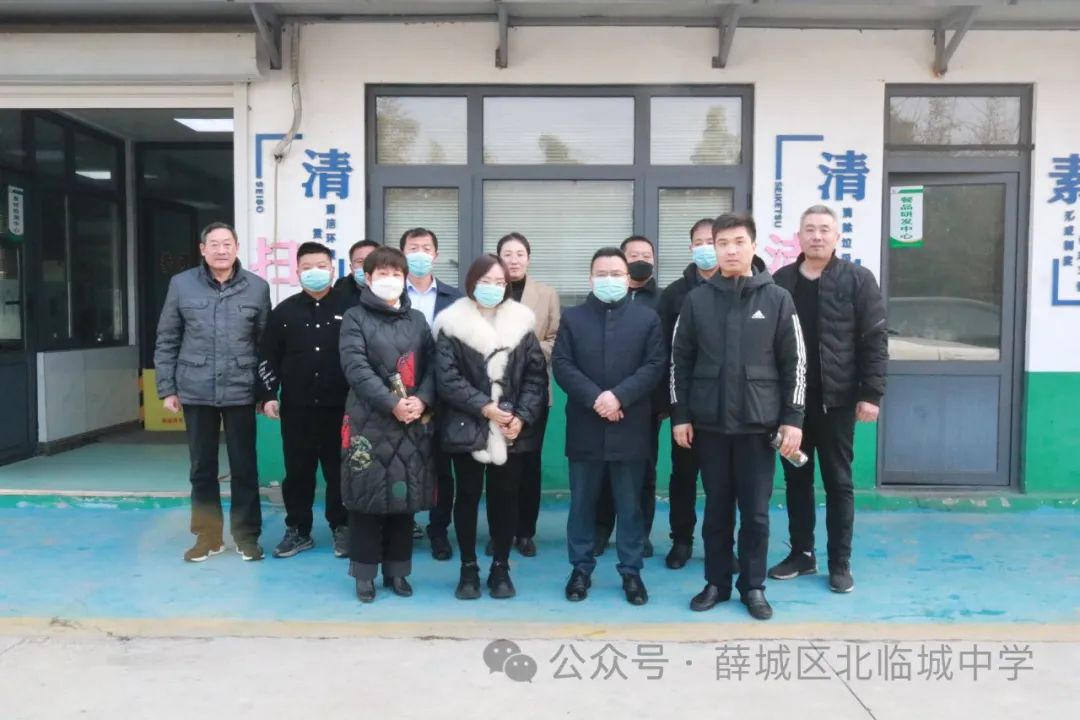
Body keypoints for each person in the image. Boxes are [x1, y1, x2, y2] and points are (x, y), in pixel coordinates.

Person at [671, 213, 806, 621]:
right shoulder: (697, 300)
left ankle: (753, 586)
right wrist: (681, 415)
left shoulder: (777, 299)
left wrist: (793, 418)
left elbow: (795, 362)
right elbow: (679, 361)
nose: (730, 250)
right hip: (710, 425)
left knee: (756, 514)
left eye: (738, 242)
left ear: (753, 245)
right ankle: (716, 583)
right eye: (722, 243)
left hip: (758, 426)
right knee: (716, 510)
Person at [768, 205, 888, 594]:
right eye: (809, 229)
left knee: (838, 482)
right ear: (799, 237)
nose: (817, 236)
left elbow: (874, 339)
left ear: (837, 237)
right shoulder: (781, 281)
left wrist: (870, 393)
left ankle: (840, 562)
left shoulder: (857, 280)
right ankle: (802, 554)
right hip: (792, 407)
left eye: (824, 229)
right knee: (796, 479)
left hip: (837, 403)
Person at [553, 247, 665, 606]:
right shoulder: (573, 318)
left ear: (628, 279)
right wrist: (596, 398)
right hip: (585, 424)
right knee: (582, 504)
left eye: (616, 274)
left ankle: (631, 571)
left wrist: (619, 397)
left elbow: (654, 365)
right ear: (590, 279)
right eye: (601, 274)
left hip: (630, 424)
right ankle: (580, 569)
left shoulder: (647, 319)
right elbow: (563, 364)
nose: (609, 280)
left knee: (630, 505)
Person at [433, 255, 548, 599]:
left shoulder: (521, 322)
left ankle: (501, 567)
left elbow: (535, 377)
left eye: (500, 282)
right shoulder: (451, 323)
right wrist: (485, 407)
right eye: (486, 281)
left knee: (505, 497)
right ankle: (468, 567)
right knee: (467, 496)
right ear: (472, 283)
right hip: (467, 423)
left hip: (511, 428)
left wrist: (520, 417)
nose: (493, 288)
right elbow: (447, 378)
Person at [154, 222, 271, 563]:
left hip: (241, 389)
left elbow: (265, 345)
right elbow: (168, 338)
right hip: (195, 388)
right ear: (202, 249)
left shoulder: (257, 287)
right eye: (214, 244)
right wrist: (167, 388)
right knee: (202, 468)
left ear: (237, 247)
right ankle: (208, 537)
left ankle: (247, 537)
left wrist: (265, 392)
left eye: (227, 243)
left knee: (245, 467)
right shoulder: (181, 284)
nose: (221, 250)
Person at [339, 246, 437, 602]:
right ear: (367, 278)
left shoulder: (418, 320)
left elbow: (434, 367)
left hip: (412, 422)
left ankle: (398, 572)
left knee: (402, 498)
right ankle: (364, 574)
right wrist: (392, 403)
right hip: (368, 422)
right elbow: (356, 368)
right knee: (366, 500)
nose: (390, 279)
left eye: (397, 273)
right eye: (383, 273)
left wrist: (422, 399)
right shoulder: (354, 317)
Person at [257, 241, 353, 560]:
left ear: (333, 269)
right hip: (297, 409)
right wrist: (268, 395)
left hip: (343, 408)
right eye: (307, 267)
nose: (315, 272)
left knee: (340, 471)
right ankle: (298, 529)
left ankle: (343, 527)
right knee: (298, 472)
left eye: (321, 266)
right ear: (297, 272)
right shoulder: (284, 312)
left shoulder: (352, 308)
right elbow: (268, 357)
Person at [656, 219, 738, 573]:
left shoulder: (740, 289)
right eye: (699, 242)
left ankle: (722, 547)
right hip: (688, 404)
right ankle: (682, 540)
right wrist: (673, 408)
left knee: (724, 482)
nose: (707, 248)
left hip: (729, 405)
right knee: (683, 476)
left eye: (712, 241)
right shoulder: (675, 294)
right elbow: (665, 353)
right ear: (691, 247)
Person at [392, 227, 466, 557]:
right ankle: (403, 527)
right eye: (413, 248)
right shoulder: (391, 296)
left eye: (426, 248)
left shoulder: (455, 299)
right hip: (399, 396)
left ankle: (439, 529)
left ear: (435, 254)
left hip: (444, 394)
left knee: (441, 469)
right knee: (401, 464)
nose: (419, 254)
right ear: (402, 254)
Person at [593, 235, 662, 559]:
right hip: (600, 404)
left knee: (643, 473)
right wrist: (604, 398)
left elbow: (661, 356)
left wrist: (629, 396)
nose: (640, 260)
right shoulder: (600, 303)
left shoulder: (663, 300)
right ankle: (600, 530)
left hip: (643, 403)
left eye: (646, 254)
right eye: (633, 255)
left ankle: (639, 534)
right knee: (603, 472)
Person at [496, 232, 560, 557]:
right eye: (507, 254)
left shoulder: (546, 294)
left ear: (528, 258)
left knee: (529, 464)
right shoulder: (489, 291)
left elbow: (555, 338)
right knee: (498, 464)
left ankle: (525, 531)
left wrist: (525, 352)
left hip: (534, 390)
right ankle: (500, 531)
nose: (514, 259)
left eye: (520, 253)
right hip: (495, 394)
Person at [333, 239, 380, 305]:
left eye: (371, 260)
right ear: (351, 268)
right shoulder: (340, 290)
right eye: (360, 261)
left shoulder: (393, 288)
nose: (365, 265)